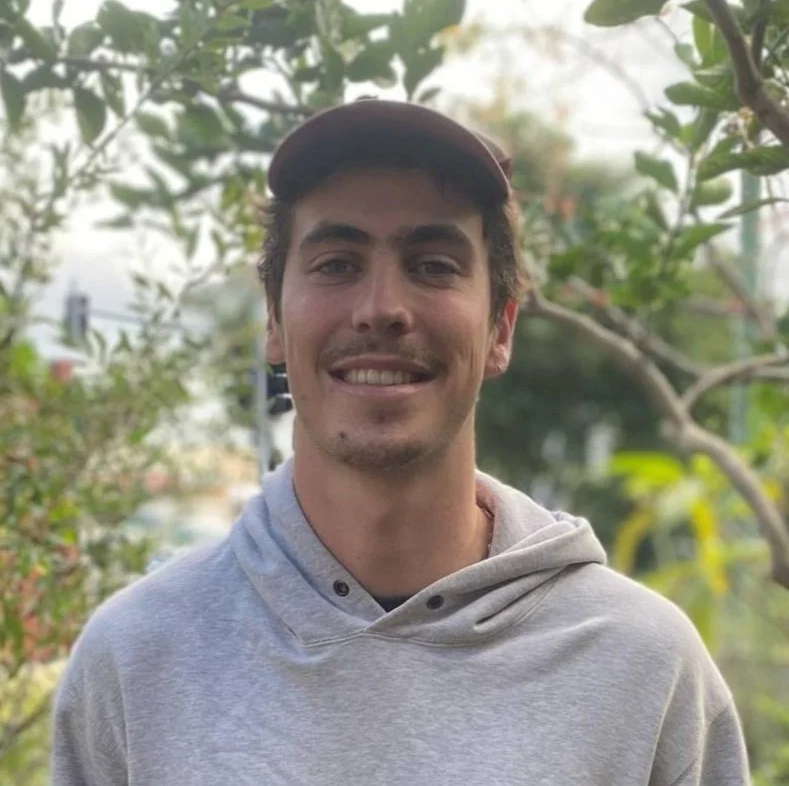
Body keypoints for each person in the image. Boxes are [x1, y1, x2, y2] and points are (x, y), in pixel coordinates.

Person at [51, 99, 750, 785]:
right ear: (272, 319)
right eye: (336, 263)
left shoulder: (644, 667)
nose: (380, 308)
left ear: (501, 327)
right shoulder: (136, 659)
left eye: (433, 265)